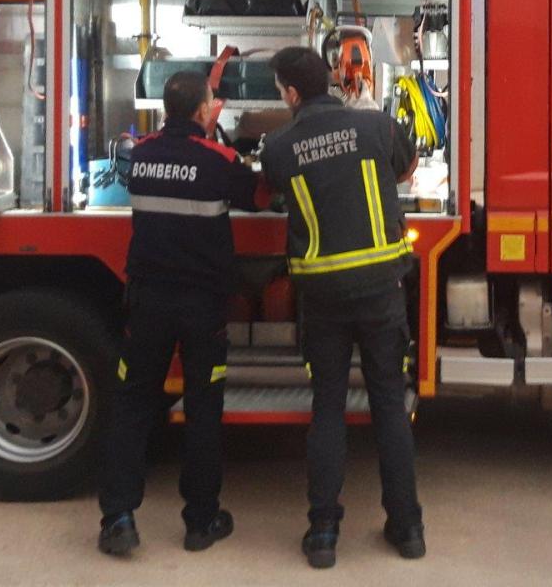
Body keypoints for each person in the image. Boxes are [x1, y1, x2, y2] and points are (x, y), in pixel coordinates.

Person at [259, 46, 425, 569]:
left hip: (323, 297)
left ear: (291, 93)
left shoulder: (279, 146)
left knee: (327, 408)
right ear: (330, 80)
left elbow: (271, 194)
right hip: (381, 291)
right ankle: (408, 529)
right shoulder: (376, 126)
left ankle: (324, 533)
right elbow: (406, 169)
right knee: (389, 406)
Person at [97, 71, 263, 557]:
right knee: (203, 409)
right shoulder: (218, 160)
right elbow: (260, 196)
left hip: (147, 301)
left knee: (133, 405)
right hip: (202, 306)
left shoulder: (141, 154)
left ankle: (118, 519)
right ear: (204, 109)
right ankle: (201, 521)